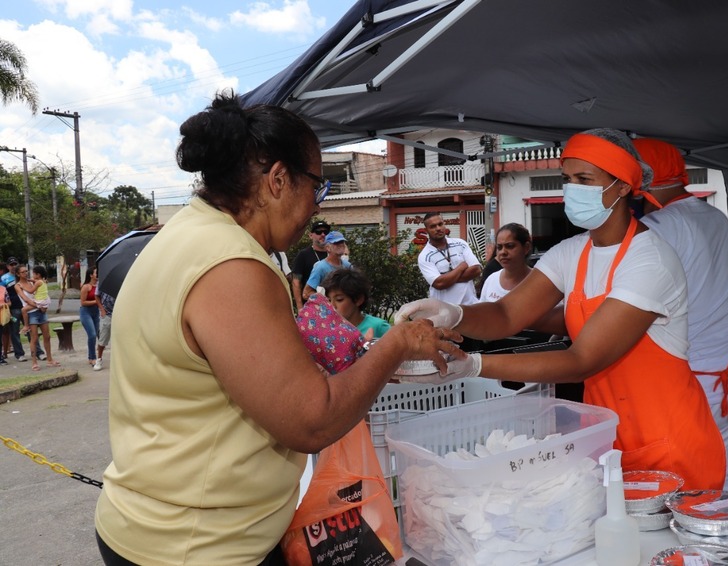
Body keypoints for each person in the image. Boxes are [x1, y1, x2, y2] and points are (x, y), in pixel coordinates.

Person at [93, 90, 463, 566]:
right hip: (198, 547)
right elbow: (311, 420)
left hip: (162, 527)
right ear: (278, 180)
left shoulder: (183, 236)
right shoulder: (232, 265)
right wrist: (397, 343)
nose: (317, 206)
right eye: (317, 187)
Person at [397, 128, 726, 490]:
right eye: (567, 179)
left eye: (585, 179)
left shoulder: (650, 261)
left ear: (621, 187)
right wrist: (455, 314)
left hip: (669, 446)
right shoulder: (572, 252)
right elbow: (507, 315)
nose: (571, 189)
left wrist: (472, 365)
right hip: (607, 438)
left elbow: (581, 360)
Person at [634, 138, 728, 491]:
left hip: (688, 385)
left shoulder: (660, 228)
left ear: (643, 179)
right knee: (720, 486)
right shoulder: (717, 218)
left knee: (679, 494)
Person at [418, 212, 482, 306]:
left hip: (470, 306)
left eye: (440, 224)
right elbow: (439, 284)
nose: (438, 228)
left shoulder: (461, 244)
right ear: (426, 230)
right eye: (433, 226)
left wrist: (447, 279)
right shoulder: (425, 256)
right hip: (445, 311)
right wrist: (461, 267)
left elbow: (476, 270)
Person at [322, 267, 391, 339]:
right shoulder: (327, 328)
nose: (332, 305)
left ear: (359, 299)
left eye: (339, 299)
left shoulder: (380, 327)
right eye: (328, 300)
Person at [16, 265, 58, 371]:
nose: (26, 273)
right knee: (34, 338)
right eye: (23, 272)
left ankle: (49, 359)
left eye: (26, 271)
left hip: (41, 311)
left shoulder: (33, 282)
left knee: (47, 336)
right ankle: (34, 362)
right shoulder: (18, 285)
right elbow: (25, 299)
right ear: (18, 274)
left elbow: (40, 293)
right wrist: (40, 306)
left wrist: (42, 306)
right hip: (32, 312)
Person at [479, 223, 533, 303]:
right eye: (499, 247)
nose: (503, 252)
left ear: (526, 248)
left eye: (510, 246)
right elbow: (482, 312)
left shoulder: (540, 282)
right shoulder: (491, 280)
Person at [3, 259, 43, 362]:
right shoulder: (4, 278)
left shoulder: (27, 279)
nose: (13, 266)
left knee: (32, 330)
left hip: (28, 308)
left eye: (15, 264)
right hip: (14, 308)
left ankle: (38, 352)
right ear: (8, 266)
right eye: (11, 264)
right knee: (15, 332)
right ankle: (19, 354)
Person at [290, 220, 330, 310]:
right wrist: (300, 307)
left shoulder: (333, 254)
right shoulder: (303, 255)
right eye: (318, 232)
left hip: (332, 307)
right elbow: (296, 282)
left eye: (326, 232)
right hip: (311, 307)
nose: (323, 234)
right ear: (310, 235)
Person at [302, 230, 351, 299]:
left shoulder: (348, 266)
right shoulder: (320, 267)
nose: (341, 245)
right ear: (328, 248)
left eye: (342, 242)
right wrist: (326, 300)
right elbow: (306, 293)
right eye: (336, 243)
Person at [79, 266, 101, 367]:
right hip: (86, 312)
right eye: (96, 273)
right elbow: (83, 302)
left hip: (96, 312)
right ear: (91, 275)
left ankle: (95, 356)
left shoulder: (99, 285)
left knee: (97, 334)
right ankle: (92, 357)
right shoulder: (86, 287)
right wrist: (96, 301)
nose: (98, 274)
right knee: (92, 335)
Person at [19, 264, 50, 331]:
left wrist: (23, 287)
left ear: (38, 275)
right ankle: (42, 309)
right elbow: (35, 281)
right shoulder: (43, 281)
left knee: (23, 310)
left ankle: (26, 325)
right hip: (45, 300)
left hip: (40, 301)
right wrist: (30, 280)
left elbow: (30, 291)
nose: (32, 275)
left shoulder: (37, 282)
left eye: (33, 274)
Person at [93, 285, 115, 372]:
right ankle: (99, 359)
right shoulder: (102, 282)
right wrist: (102, 309)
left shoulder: (121, 281)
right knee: (103, 337)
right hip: (107, 313)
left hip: (118, 311)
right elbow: (96, 295)